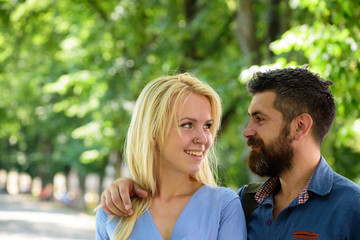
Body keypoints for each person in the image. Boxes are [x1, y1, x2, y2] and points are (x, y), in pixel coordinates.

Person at [101, 67, 360, 239]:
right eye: (188, 124)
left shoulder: (352, 207)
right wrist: (126, 184)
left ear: (300, 126)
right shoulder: (247, 203)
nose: (246, 131)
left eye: (259, 119)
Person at [96, 73, 247, 240]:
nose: (203, 138)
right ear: (153, 132)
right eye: (188, 125)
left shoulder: (224, 206)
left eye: (207, 126)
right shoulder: (112, 211)